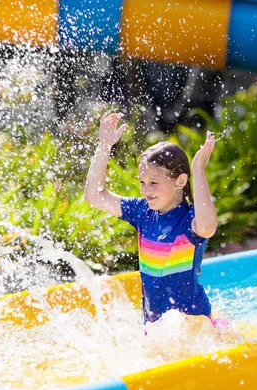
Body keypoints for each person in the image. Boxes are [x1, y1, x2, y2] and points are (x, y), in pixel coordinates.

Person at [84, 112, 221, 327]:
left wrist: (198, 169)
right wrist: (104, 146)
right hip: (155, 326)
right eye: (142, 181)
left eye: (153, 183)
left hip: (194, 325)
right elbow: (95, 195)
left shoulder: (189, 220)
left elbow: (208, 226)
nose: (146, 190)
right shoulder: (141, 212)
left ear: (180, 181)